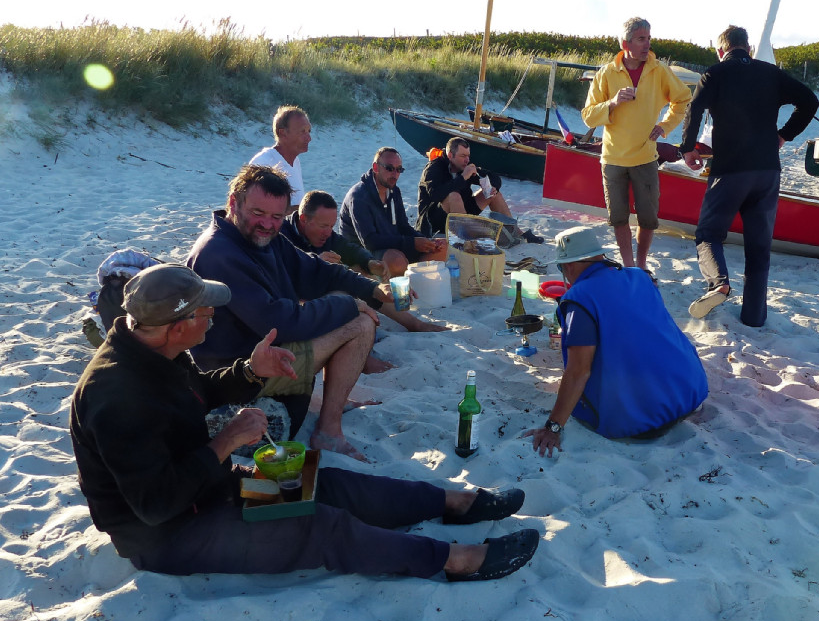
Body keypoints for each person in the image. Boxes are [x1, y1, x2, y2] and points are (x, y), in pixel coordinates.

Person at [69, 263, 539, 582]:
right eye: (206, 312)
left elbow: (200, 394)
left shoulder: (158, 348)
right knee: (319, 527)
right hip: (167, 534)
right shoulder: (116, 396)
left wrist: (252, 371)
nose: (213, 316)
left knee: (324, 485)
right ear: (177, 326)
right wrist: (227, 442)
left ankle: (453, 503)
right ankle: (455, 562)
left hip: (205, 490)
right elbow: (154, 504)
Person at [187, 165, 392, 461]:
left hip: (267, 350)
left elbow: (316, 269)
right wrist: (351, 304)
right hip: (239, 373)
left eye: (276, 217)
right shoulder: (219, 254)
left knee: (342, 301)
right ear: (234, 203)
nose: (268, 225)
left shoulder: (264, 238)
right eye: (258, 213)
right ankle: (329, 431)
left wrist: (371, 289)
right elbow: (281, 322)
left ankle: (335, 398)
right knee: (359, 323)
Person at [523, 226, 709, 456]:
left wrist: (552, 427)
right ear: (601, 256)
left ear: (568, 266)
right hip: (691, 392)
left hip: (638, 421)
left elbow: (578, 372)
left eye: (561, 267)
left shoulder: (579, 298)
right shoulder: (640, 277)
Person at [679, 25, 819, 327]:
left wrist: (688, 148)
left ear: (721, 50)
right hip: (767, 171)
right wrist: (784, 135)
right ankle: (754, 317)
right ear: (749, 48)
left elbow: (694, 108)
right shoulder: (770, 72)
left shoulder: (715, 74)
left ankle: (718, 284)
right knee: (759, 247)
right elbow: (810, 102)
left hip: (731, 169)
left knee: (708, 234)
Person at [581, 17, 692, 275]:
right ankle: (629, 265)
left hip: (645, 156)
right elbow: (587, 115)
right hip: (613, 158)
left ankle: (641, 265)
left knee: (648, 219)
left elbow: (683, 99)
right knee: (618, 218)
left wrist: (664, 127)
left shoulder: (659, 69)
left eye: (649, 38)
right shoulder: (607, 73)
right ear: (625, 43)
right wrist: (612, 103)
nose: (647, 44)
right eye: (641, 39)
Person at [282, 189, 448, 333]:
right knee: (343, 288)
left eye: (331, 226)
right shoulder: (281, 235)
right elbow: (276, 273)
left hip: (320, 293)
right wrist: (312, 263)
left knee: (360, 270)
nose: (328, 232)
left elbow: (349, 249)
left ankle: (414, 323)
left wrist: (369, 262)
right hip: (293, 304)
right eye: (323, 226)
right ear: (303, 220)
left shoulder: (324, 234)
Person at [340, 147, 447, 278]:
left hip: (391, 244)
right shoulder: (359, 196)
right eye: (389, 168)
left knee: (442, 248)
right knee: (397, 261)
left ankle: (415, 282)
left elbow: (403, 226)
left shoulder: (394, 191)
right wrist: (412, 243)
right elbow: (370, 241)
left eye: (399, 169)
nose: (395, 174)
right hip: (363, 253)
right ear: (376, 167)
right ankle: (405, 282)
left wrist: (425, 241)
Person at [417, 137, 541, 243]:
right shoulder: (434, 168)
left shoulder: (463, 165)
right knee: (454, 195)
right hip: (434, 221)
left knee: (493, 195)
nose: (467, 159)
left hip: (462, 214)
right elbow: (435, 195)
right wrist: (463, 177)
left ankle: (516, 233)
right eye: (463, 156)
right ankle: (467, 239)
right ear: (450, 155)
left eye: (468, 156)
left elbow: (494, 177)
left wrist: (491, 187)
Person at [249, 106, 311, 209]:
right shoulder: (264, 162)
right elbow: (259, 211)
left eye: (309, 131)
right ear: (283, 133)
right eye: (302, 131)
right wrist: (302, 211)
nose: (309, 138)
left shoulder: (295, 161)